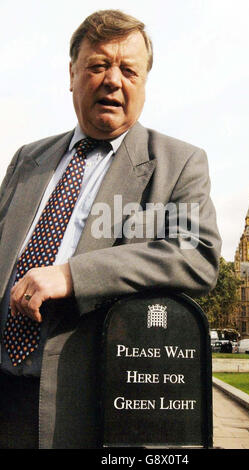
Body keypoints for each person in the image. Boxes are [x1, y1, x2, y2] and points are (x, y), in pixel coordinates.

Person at [0, 10, 221, 449]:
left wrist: (71, 274)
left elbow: (197, 254)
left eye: (128, 70)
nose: (113, 80)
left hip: (82, 410)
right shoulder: (27, 159)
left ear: (144, 82)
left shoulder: (178, 164)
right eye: (98, 66)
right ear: (72, 74)